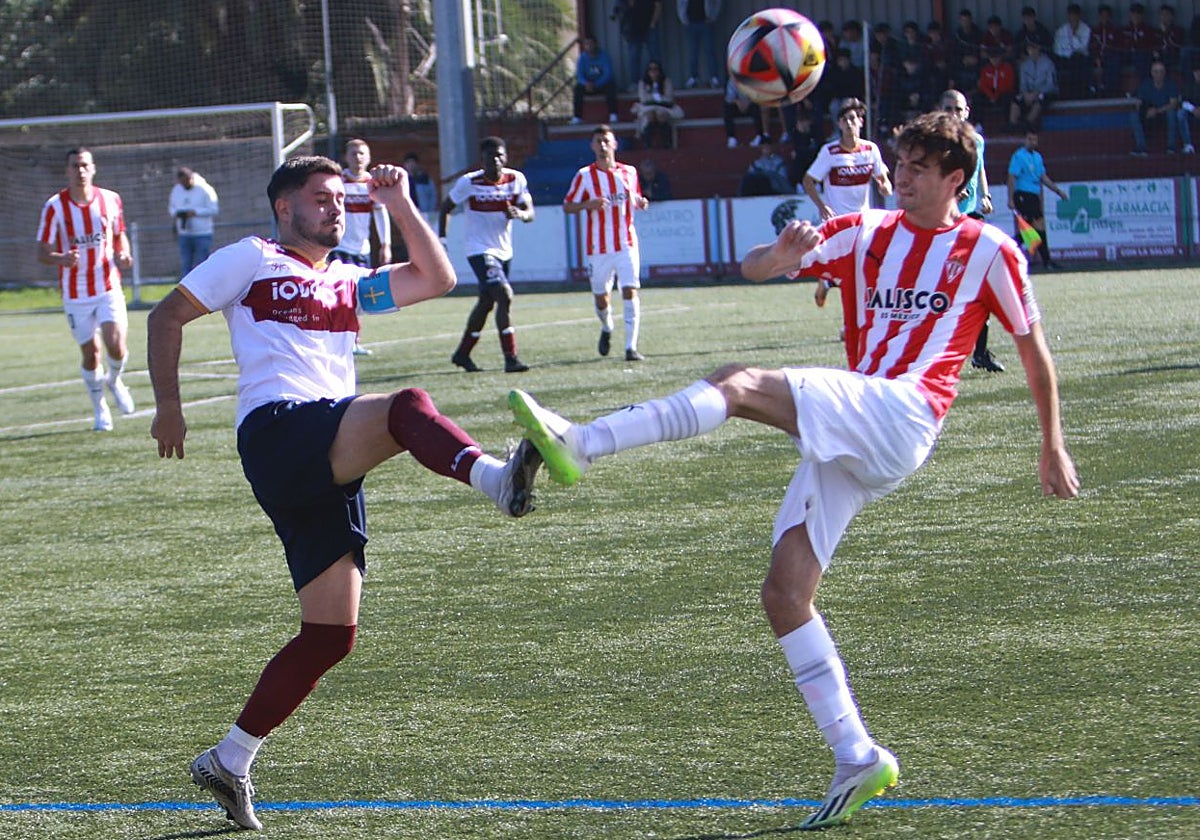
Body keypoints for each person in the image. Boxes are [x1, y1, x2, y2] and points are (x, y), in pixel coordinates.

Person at [508, 109, 1080, 832]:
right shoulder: (866, 229)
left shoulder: (989, 248)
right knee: (784, 593)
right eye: (897, 164)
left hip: (904, 413)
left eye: (915, 169)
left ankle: (579, 443)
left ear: (955, 180)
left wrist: (1050, 443)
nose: (898, 177)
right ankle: (857, 753)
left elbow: (1033, 352)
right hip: (860, 423)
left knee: (738, 382)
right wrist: (780, 256)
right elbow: (752, 266)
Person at [146, 155, 543, 832]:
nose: (337, 208)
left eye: (342, 199)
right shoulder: (253, 256)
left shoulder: (348, 283)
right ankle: (495, 480)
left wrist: (398, 203)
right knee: (406, 405)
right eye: (323, 198)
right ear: (284, 207)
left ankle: (229, 759)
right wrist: (168, 407)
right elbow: (166, 316)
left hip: (327, 452)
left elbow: (437, 278)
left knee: (331, 635)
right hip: (280, 432)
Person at [36, 147, 136, 432]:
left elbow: (119, 236)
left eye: (84, 165)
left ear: (93, 168)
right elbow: (42, 252)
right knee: (91, 353)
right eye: (74, 166)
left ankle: (114, 380)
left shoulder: (110, 199)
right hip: (75, 292)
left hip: (108, 284)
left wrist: (124, 254)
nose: (80, 170)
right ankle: (100, 408)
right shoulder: (55, 206)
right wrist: (61, 258)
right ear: (67, 171)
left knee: (116, 345)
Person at [440, 136, 535, 374]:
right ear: (481, 160)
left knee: (486, 303)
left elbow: (530, 211)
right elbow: (446, 207)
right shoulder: (469, 182)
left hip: (504, 251)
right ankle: (511, 358)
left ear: (506, 157)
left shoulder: (516, 179)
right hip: (478, 250)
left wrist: (521, 214)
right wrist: (442, 240)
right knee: (504, 295)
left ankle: (462, 354)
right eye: (489, 157)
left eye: (499, 155)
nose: (495, 160)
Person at [563, 124, 649, 362]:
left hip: (626, 244)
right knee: (601, 297)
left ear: (614, 144)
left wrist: (641, 202)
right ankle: (607, 325)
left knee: (630, 290)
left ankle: (631, 347)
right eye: (598, 141)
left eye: (606, 141)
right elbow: (568, 206)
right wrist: (586, 205)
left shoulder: (629, 172)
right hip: (598, 249)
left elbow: (635, 198)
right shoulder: (584, 176)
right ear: (592, 146)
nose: (602, 146)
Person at [942, 89, 1002, 373]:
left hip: (973, 217)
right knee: (945, 287)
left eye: (959, 109)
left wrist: (985, 195)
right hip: (946, 220)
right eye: (949, 108)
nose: (954, 114)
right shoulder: (938, 144)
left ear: (967, 112)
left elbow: (980, 170)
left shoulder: (976, 141)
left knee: (979, 284)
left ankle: (980, 352)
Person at [332, 138, 392, 356]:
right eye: (353, 153)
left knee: (358, 297)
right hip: (339, 248)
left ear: (369, 158)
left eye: (362, 153)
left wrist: (385, 244)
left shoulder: (372, 183)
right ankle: (338, 338)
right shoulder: (338, 181)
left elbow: (380, 213)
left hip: (362, 249)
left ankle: (353, 340)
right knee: (341, 295)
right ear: (345, 157)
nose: (358, 157)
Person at [802, 98, 892, 221]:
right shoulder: (829, 151)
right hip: (836, 220)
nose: (849, 123)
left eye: (852, 118)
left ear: (861, 121)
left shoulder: (871, 149)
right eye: (844, 120)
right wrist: (821, 206)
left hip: (861, 221)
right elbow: (808, 181)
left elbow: (883, 179)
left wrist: (885, 187)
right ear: (839, 124)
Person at [1007, 129, 1068, 271]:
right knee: (1036, 227)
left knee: (1032, 229)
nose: (1032, 142)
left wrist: (1058, 191)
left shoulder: (1038, 157)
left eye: (1034, 140)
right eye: (1029, 139)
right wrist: (1010, 198)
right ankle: (1046, 261)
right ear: (1025, 140)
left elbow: (1043, 178)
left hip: (1033, 197)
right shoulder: (1019, 156)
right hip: (1022, 195)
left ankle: (1006, 249)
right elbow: (1011, 177)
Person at [1129, 58, 1191, 153]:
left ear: (1165, 73)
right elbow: (1139, 103)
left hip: (1164, 114)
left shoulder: (1170, 84)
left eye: (1161, 71)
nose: (1158, 74)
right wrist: (1146, 111)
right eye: (1156, 71)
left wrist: (1157, 111)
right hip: (1149, 115)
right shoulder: (1145, 84)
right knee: (1134, 115)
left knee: (1172, 114)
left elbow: (1173, 104)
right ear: (1151, 73)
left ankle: (1171, 147)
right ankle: (1141, 147)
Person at [168, 166, 220, 277]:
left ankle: (203, 289)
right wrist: (178, 213)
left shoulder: (205, 189)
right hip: (184, 234)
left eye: (186, 182)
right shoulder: (177, 190)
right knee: (186, 265)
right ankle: (187, 292)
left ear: (191, 178)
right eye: (181, 183)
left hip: (202, 233)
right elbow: (172, 207)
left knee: (202, 264)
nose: (184, 185)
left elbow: (214, 209)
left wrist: (196, 212)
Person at [631, 59, 684, 148]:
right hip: (648, 107)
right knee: (650, 115)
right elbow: (643, 98)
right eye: (651, 69)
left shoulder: (666, 81)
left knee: (661, 115)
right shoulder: (643, 83)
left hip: (664, 107)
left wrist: (657, 99)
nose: (653, 72)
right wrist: (656, 99)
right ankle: (647, 143)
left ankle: (666, 142)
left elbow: (669, 98)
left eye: (656, 69)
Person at [614, 0, 663, 89]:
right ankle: (635, 83)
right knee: (634, 57)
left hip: (649, 26)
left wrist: (653, 22)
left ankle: (658, 83)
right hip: (633, 28)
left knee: (655, 57)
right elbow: (619, 10)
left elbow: (658, 4)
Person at [1010, 40, 1057, 130]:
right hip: (1028, 93)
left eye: (1033, 47)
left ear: (1038, 48)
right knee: (1016, 99)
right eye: (1029, 48)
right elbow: (1022, 84)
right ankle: (1013, 124)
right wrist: (1026, 94)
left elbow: (1051, 85)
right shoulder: (1024, 65)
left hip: (1045, 92)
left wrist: (1036, 93)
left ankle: (1028, 123)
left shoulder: (1048, 63)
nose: (1031, 50)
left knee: (1040, 99)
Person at [572, 36, 619, 125]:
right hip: (588, 86)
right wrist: (586, 83)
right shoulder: (582, 58)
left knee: (611, 86)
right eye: (586, 44)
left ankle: (613, 114)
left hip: (601, 85)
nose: (589, 46)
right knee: (577, 89)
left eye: (591, 44)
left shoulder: (604, 56)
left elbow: (608, 74)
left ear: (596, 44)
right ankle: (577, 117)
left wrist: (596, 84)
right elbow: (579, 75)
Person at [677, 0, 723, 89]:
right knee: (693, 52)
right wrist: (682, 17)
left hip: (706, 22)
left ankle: (714, 77)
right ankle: (693, 77)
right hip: (691, 22)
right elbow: (680, 3)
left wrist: (714, 15)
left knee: (710, 50)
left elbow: (717, 2)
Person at [1054, 4, 1094, 99]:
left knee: (1077, 60)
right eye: (1071, 15)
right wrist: (1069, 53)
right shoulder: (1062, 30)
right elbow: (1057, 48)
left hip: (1082, 58)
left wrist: (1074, 34)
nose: (1073, 17)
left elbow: (1083, 47)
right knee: (1071, 60)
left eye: (1075, 15)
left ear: (1079, 16)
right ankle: (1071, 93)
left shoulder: (1086, 29)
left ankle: (1081, 92)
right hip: (1065, 58)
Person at [976, 45, 1017, 125]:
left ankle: (1007, 123)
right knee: (977, 98)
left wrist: (996, 95)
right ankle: (978, 123)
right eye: (992, 58)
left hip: (1003, 94)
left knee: (1008, 98)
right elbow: (983, 85)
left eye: (996, 58)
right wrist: (991, 95)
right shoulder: (986, 69)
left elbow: (1008, 84)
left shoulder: (1007, 68)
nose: (994, 60)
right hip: (989, 94)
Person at [1091, 4, 1124, 97]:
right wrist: (1096, 57)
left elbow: (1118, 47)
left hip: (1110, 57)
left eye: (1106, 15)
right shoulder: (1094, 30)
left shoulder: (1115, 31)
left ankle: (1112, 90)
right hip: (1096, 58)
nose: (1104, 18)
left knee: (1114, 61)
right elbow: (1091, 46)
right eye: (1102, 15)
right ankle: (1092, 90)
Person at [723, 77, 766, 147]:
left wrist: (748, 102)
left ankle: (759, 135)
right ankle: (732, 137)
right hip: (738, 105)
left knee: (757, 107)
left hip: (750, 103)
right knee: (727, 108)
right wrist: (738, 102)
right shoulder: (733, 80)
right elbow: (729, 98)